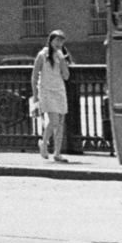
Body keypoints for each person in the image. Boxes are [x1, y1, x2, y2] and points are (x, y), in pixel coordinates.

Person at [30, 29, 72, 162]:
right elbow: (35, 75)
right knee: (53, 121)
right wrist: (35, 95)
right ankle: (43, 143)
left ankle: (57, 153)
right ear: (51, 41)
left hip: (59, 90)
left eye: (61, 41)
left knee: (60, 122)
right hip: (46, 91)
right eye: (57, 40)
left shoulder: (61, 55)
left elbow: (66, 77)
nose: (59, 43)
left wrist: (63, 62)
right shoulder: (42, 55)